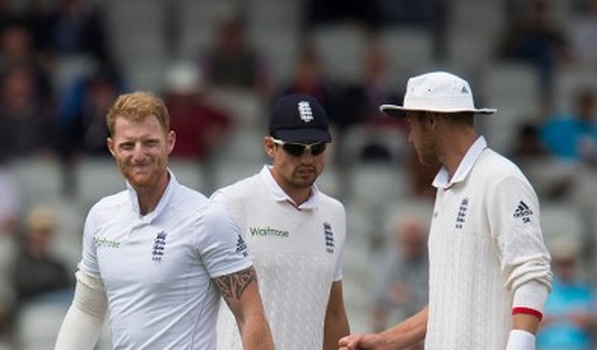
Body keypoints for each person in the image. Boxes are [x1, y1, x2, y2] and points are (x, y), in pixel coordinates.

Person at [339, 71, 553, 350]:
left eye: (411, 124)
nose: (410, 138)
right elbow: (447, 300)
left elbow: (531, 272)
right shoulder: (448, 189)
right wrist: (385, 341)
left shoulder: (501, 178)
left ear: (431, 120)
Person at [53, 91, 275, 350]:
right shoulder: (101, 215)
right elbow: (87, 311)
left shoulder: (206, 218)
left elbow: (250, 315)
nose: (138, 155)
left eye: (149, 143)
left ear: (169, 142)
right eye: (128, 145)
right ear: (112, 148)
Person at [214, 94, 350, 349]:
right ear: (270, 146)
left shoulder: (334, 214)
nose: (307, 159)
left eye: (317, 148)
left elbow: (333, 313)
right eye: (296, 148)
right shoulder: (232, 203)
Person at [370, 215, 429, 346]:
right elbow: (379, 292)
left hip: (418, 313)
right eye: (408, 241)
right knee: (379, 312)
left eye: (416, 241)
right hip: (390, 310)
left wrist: (408, 294)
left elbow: (431, 296)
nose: (411, 245)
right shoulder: (385, 257)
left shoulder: (430, 261)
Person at [536, 238, 597, 350]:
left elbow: (595, 321)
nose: (565, 269)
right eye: (561, 264)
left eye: (568, 264)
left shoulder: (585, 290)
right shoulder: (544, 290)